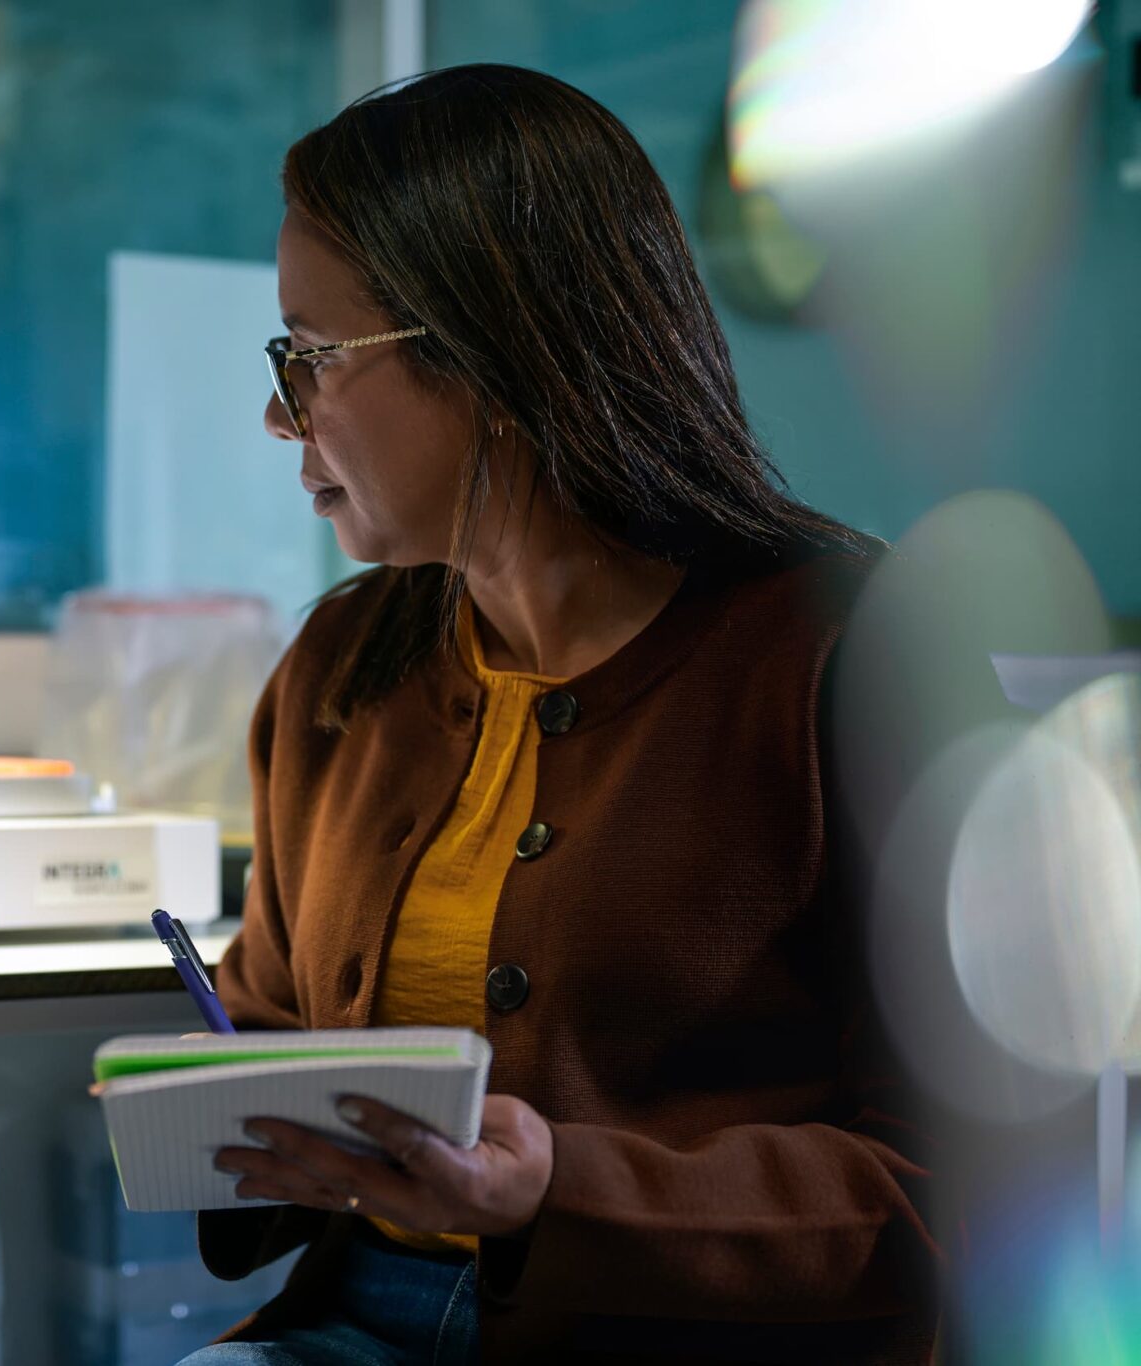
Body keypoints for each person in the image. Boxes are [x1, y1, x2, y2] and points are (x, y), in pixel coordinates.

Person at [175, 65, 942, 1364]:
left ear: (490, 355)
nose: (275, 411)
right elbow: (262, 1027)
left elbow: (943, 1187)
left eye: (309, 357)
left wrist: (556, 1191)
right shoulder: (339, 669)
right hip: (357, 1320)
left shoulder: (855, 658)